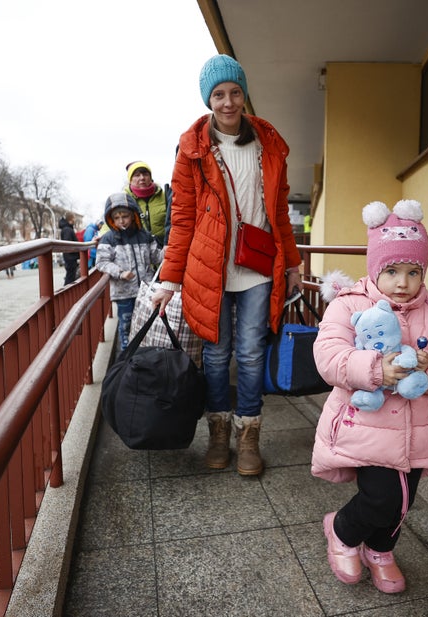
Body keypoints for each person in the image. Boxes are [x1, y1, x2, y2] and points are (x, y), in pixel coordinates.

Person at [152, 54, 303, 477]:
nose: (228, 102)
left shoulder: (268, 143)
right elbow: (181, 217)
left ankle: (248, 434)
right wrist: (169, 278)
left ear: (244, 93)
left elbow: (279, 211)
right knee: (217, 357)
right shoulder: (192, 150)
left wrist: (291, 263)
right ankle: (218, 432)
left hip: (257, 266)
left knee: (251, 354)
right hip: (210, 268)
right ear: (208, 100)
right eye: (218, 94)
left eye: (235, 92)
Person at [311, 199, 428, 594]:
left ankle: (380, 550)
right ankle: (343, 530)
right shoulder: (349, 304)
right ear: (374, 268)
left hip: (420, 428)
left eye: (413, 272)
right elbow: (329, 356)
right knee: (382, 497)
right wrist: (375, 370)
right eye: (392, 271)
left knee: (403, 500)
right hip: (365, 423)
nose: (403, 282)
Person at [96, 193, 162, 350]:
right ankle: (127, 357)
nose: (121, 221)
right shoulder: (109, 239)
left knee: (148, 325)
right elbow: (102, 262)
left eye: (125, 216)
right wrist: (120, 272)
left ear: (133, 215)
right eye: (117, 217)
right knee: (126, 325)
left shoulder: (144, 236)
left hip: (147, 292)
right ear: (111, 219)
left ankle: (146, 355)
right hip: (124, 292)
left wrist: (170, 253)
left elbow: (157, 257)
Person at [124, 161, 172, 247]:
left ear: (150, 177)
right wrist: (102, 236)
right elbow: (112, 222)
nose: (142, 178)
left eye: (145, 174)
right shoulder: (124, 200)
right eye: (137, 175)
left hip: (164, 250)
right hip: (139, 251)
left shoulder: (165, 196)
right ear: (130, 180)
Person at [59, 212, 79, 285]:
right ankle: (67, 291)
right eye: (74, 218)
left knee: (70, 276)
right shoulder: (67, 229)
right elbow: (68, 244)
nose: (75, 219)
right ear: (71, 219)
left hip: (70, 256)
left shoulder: (67, 228)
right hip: (70, 257)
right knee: (70, 277)